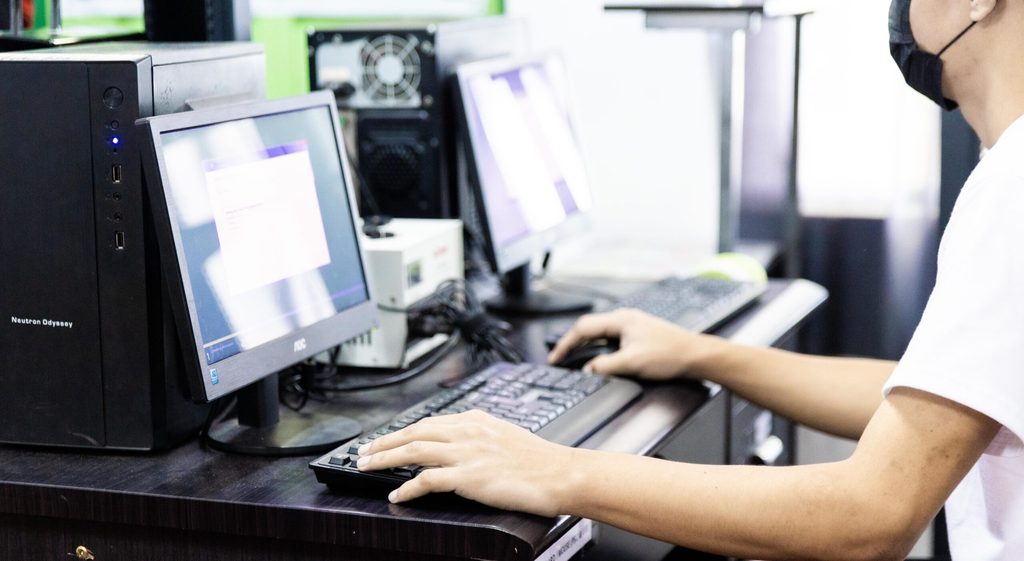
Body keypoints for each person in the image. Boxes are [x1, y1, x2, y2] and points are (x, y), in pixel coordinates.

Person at [356, 0, 1024, 558]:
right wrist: (705, 353)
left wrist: (557, 469)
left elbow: (873, 512)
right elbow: (936, 404)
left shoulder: (1011, 186)